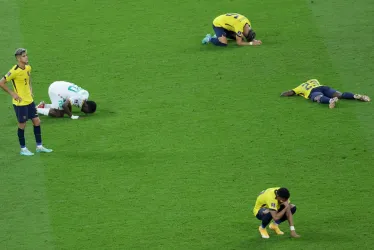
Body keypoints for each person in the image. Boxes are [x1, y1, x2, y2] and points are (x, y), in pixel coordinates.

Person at [0, 48, 52, 156]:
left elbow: (29, 79)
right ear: (19, 59)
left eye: (26, 55)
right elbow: (2, 83)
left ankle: (39, 146)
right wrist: (12, 93)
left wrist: (30, 89)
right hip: (20, 104)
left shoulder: (28, 68)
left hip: (30, 101)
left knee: (37, 121)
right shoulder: (14, 71)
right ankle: (23, 149)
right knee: (22, 125)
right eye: (24, 56)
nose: (26, 57)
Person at [281, 79, 370, 108]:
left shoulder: (300, 87)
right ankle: (356, 96)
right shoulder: (314, 79)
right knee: (340, 95)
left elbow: (290, 92)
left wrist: (283, 94)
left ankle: (330, 101)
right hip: (324, 87)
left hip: (314, 91)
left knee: (318, 98)